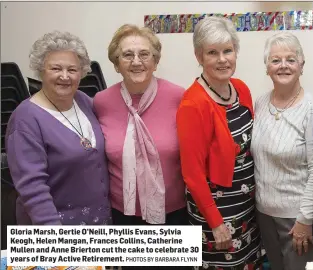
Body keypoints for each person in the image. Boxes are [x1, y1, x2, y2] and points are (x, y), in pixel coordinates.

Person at [177, 16, 265, 270]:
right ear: (199, 56)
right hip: (217, 213)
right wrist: (216, 223)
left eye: (228, 50)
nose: (222, 59)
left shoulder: (241, 89)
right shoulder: (192, 104)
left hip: (246, 207)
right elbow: (192, 174)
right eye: (212, 53)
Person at [5, 31, 112, 225]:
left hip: (98, 222)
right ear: (41, 70)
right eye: (56, 68)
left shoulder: (84, 102)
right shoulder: (25, 120)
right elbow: (32, 189)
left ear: (82, 72)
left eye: (72, 70)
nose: (65, 76)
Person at [93, 24, 188, 228]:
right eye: (127, 55)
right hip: (122, 215)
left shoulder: (179, 97)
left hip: (174, 214)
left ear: (155, 61)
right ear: (116, 64)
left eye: (144, 54)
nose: (136, 62)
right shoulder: (101, 102)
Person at [250, 32, 313, 270]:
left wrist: (305, 219)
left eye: (290, 59)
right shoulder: (260, 103)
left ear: (302, 65)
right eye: (275, 60)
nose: (283, 66)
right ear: (267, 67)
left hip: (299, 216)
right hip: (264, 213)